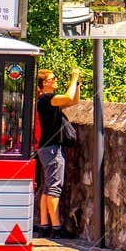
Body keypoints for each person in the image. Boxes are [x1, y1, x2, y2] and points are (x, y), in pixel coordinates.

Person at [35, 68, 80, 237]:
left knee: (47, 188)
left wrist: (77, 83)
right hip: (52, 148)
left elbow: (73, 100)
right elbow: (68, 97)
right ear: (45, 83)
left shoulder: (45, 100)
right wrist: (73, 76)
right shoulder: (47, 99)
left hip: (46, 147)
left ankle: (44, 224)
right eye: (53, 78)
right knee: (54, 188)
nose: (56, 80)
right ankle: (57, 228)